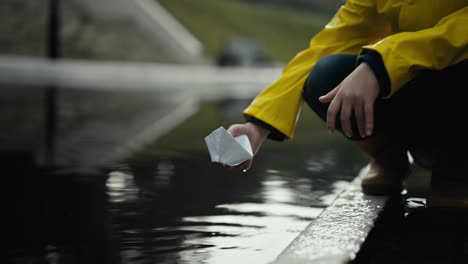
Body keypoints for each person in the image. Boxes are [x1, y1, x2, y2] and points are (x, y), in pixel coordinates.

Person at [226, 0, 468, 208]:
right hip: (420, 85)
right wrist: (258, 126)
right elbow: (328, 45)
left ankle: (456, 168)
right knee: (324, 74)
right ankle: (389, 155)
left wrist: (382, 63)